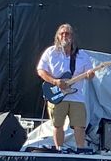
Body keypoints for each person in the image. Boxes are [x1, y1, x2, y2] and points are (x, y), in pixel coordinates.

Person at [37, 23, 98, 152]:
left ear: (72, 37)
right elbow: (41, 70)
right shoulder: (50, 52)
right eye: (62, 33)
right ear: (58, 36)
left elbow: (90, 75)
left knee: (80, 125)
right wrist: (54, 81)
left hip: (77, 97)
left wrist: (90, 75)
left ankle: (80, 149)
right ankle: (59, 149)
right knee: (58, 124)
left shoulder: (82, 55)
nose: (64, 36)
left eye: (67, 33)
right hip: (57, 94)